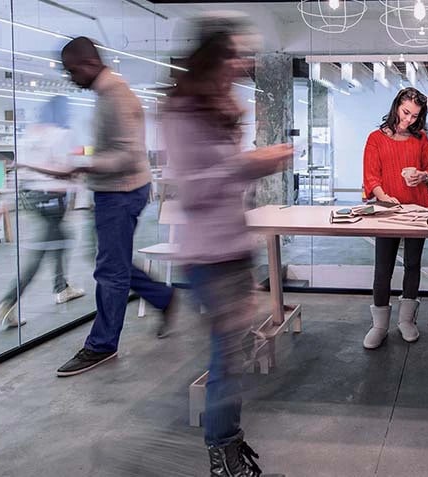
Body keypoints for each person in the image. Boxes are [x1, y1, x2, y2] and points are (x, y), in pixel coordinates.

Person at [163, 13, 291, 477]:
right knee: (227, 359)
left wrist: (246, 162)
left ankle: (229, 446)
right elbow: (194, 191)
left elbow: (223, 184)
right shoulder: (179, 114)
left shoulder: (219, 109)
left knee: (233, 355)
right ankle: (223, 454)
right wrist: (250, 165)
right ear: (213, 58)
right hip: (210, 257)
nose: (242, 64)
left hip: (233, 250)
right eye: (235, 55)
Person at [55, 37, 177, 377]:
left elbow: (126, 155)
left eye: (72, 70)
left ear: (89, 64)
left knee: (110, 271)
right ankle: (163, 297)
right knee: (113, 263)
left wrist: (84, 165)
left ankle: (102, 344)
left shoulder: (116, 97)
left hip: (120, 192)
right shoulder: (107, 94)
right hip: (115, 191)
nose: (70, 77)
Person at [0, 96, 85, 329]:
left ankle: (62, 287)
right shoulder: (62, 135)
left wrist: (6, 201)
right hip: (53, 199)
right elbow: (67, 170)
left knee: (61, 239)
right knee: (41, 253)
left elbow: (17, 171)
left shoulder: (30, 135)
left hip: (33, 198)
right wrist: (76, 191)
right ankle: (7, 303)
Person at [362, 87, 428, 349]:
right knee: (383, 268)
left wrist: (423, 176)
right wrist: (384, 196)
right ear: (396, 106)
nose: (409, 120)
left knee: (412, 265)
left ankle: (407, 321)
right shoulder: (375, 138)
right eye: (406, 112)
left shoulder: (421, 139)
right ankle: (379, 325)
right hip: (387, 212)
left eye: (415, 116)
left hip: (417, 210)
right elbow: (371, 177)